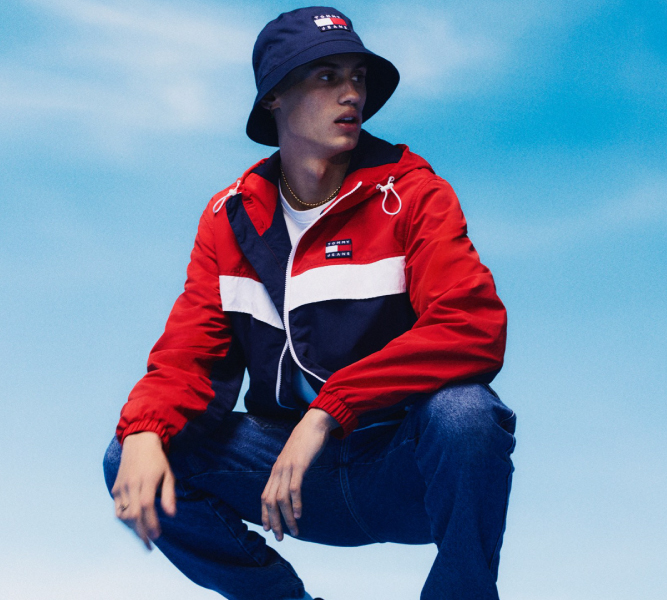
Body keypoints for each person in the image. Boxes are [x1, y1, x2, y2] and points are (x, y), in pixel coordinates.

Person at [102, 7, 515, 600]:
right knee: (130, 452)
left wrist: (330, 409)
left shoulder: (414, 193)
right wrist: (145, 430)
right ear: (274, 97)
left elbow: (471, 326)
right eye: (327, 77)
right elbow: (189, 359)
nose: (352, 94)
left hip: (397, 469)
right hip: (288, 482)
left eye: (359, 78)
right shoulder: (230, 218)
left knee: (467, 413)